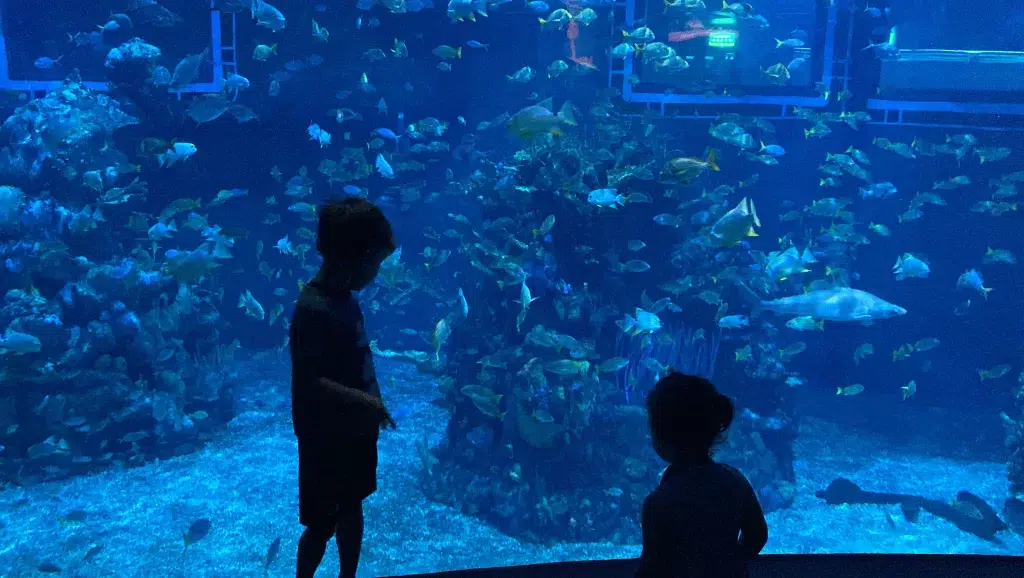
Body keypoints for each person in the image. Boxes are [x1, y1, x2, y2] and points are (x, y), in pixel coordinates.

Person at [290, 198, 398, 578]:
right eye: (376, 263)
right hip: (324, 436)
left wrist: (374, 401)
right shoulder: (313, 308)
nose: (376, 273)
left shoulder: (346, 301)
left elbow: (361, 357)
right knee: (321, 523)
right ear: (357, 257)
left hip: (354, 431)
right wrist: (366, 402)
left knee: (353, 506)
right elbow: (310, 381)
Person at [636, 372, 768, 578]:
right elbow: (757, 536)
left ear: (661, 436)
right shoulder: (735, 480)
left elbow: (651, 568)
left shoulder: (659, 502)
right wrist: (730, 562)